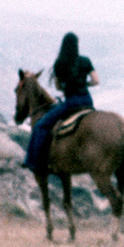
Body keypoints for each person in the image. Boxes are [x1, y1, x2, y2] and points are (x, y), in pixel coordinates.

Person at [23, 32, 99, 172]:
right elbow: (96, 81)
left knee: (41, 126)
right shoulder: (85, 61)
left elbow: (58, 87)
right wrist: (85, 84)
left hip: (71, 103)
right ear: (77, 45)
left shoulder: (60, 63)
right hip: (87, 102)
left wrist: (67, 86)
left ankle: (34, 162)